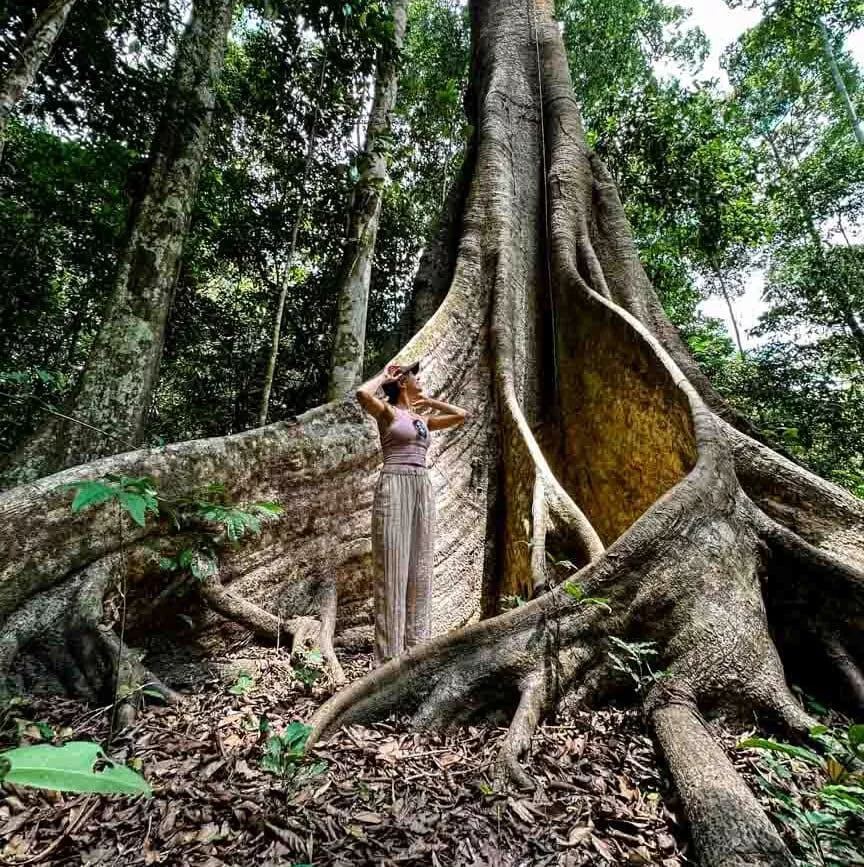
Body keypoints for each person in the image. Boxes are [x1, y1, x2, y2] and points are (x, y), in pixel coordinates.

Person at [356, 360, 468, 663]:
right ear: (403, 381)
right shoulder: (388, 411)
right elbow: (362, 395)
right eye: (414, 375)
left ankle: (415, 654)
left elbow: (462, 415)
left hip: (421, 486)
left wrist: (429, 402)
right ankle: (387, 662)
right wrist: (384, 376)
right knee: (392, 568)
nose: (420, 379)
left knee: (419, 568)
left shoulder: (422, 418)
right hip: (394, 483)